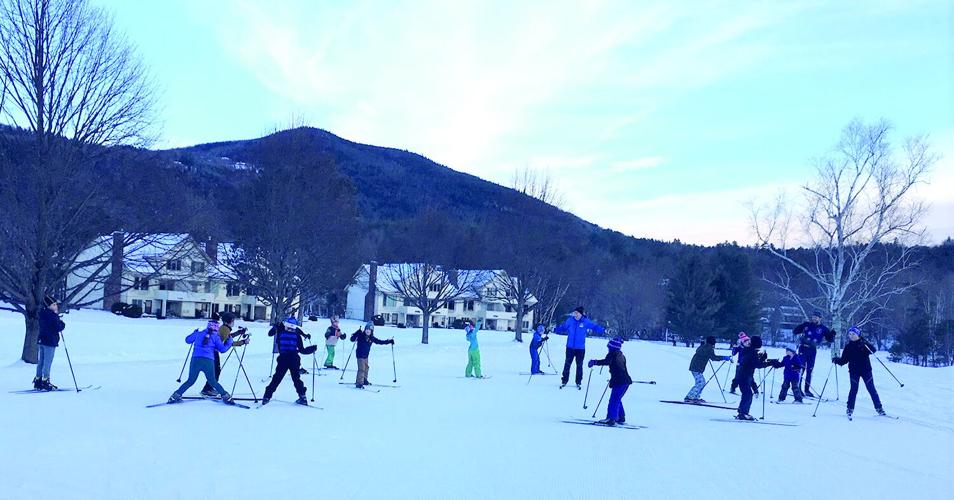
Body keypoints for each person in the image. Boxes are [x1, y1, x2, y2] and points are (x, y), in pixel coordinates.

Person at [169, 319, 236, 404]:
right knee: (212, 381)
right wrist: (229, 342)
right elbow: (222, 349)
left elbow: (187, 340)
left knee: (191, 380)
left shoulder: (199, 334)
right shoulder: (216, 337)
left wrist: (194, 333)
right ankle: (226, 397)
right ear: (217, 328)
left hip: (195, 360)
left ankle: (176, 395)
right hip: (208, 361)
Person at [262, 317, 318, 405]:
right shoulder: (295, 334)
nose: (291, 329)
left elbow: (270, 333)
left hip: (284, 359)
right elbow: (302, 350)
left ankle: (266, 397)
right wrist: (311, 349)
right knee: (294, 379)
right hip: (293, 359)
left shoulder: (282, 331)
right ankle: (302, 397)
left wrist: (275, 327)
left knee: (278, 378)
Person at [833, 326, 886, 418]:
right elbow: (844, 360)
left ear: (858, 335)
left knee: (871, 389)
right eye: (850, 334)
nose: (851, 336)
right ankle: (850, 409)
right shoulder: (848, 347)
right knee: (853, 390)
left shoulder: (864, 343)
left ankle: (879, 408)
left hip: (866, 370)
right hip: (854, 371)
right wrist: (837, 360)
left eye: (853, 334)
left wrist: (864, 343)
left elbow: (873, 350)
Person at [554, 306, 606, 389]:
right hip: (570, 347)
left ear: (581, 314)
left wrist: (603, 330)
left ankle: (578, 381)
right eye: (574, 313)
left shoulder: (585, 321)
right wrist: (556, 329)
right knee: (567, 364)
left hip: (580, 348)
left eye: (577, 313)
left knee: (579, 365)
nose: (575, 314)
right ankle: (564, 380)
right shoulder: (570, 321)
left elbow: (594, 326)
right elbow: (563, 327)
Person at [201, 312, 248, 397]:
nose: (234, 322)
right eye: (233, 321)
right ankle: (207, 389)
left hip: (212, 351)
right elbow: (228, 343)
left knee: (215, 371)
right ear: (229, 321)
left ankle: (208, 388)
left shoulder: (224, 328)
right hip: (212, 352)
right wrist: (243, 342)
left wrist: (239, 332)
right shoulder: (225, 329)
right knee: (216, 371)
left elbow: (228, 337)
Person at [587, 337, 632, 426]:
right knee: (617, 399)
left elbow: (607, 362)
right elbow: (617, 368)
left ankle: (611, 418)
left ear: (612, 347)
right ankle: (620, 417)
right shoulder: (621, 355)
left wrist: (594, 362)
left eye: (609, 347)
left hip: (620, 382)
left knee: (614, 400)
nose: (608, 349)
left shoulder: (612, 354)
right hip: (625, 381)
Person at [735, 334, 775, 420]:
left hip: (743, 375)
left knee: (746, 394)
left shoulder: (748, 350)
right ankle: (743, 413)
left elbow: (754, 362)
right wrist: (770, 363)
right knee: (748, 394)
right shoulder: (752, 352)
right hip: (745, 376)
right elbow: (758, 364)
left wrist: (762, 358)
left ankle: (742, 411)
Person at [793, 311, 833, 397]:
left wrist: (832, 335)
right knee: (801, 368)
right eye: (813, 317)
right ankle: (797, 388)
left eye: (816, 317)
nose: (814, 318)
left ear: (820, 318)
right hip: (803, 348)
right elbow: (795, 331)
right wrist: (800, 327)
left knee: (810, 370)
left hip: (812, 349)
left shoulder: (823, 328)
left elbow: (829, 339)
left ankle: (807, 390)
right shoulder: (807, 325)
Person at [685, 336, 732, 403]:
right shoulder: (709, 348)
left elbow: (705, 354)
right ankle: (689, 397)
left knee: (701, 383)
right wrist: (724, 357)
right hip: (697, 367)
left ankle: (695, 397)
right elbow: (714, 358)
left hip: (695, 366)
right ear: (713, 342)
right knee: (701, 383)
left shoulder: (703, 346)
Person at [34, 296, 66, 391]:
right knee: (47, 362)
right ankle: (45, 380)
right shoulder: (52, 315)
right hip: (50, 341)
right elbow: (58, 327)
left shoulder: (42, 314)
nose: (56, 306)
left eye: (56, 304)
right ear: (48, 306)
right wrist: (62, 323)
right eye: (54, 304)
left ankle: (38, 379)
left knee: (41, 361)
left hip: (42, 340)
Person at [350, 322, 394, 388]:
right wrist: (357, 333)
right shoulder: (361, 336)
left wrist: (389, 341)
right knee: (361, 369)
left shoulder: (371, 338)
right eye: (367, 329)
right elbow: (352, 339)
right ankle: (359, 383)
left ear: (371, 331)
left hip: (366, 356)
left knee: (366, 368)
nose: (368, 331)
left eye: (369, 330)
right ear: (365, 330)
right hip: (360, 355)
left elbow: (380, 342)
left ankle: (364, 379)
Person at [729, 332, 759, 397]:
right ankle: (733, 388)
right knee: (737, 377)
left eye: (747, 341)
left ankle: (755, 391)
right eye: (744, 341)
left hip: (748, 365)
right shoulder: (740, 347)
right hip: (739, 364)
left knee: (750, 378)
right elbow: (733, 353)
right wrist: (735, 347)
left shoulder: (750, 348)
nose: (746, 342)